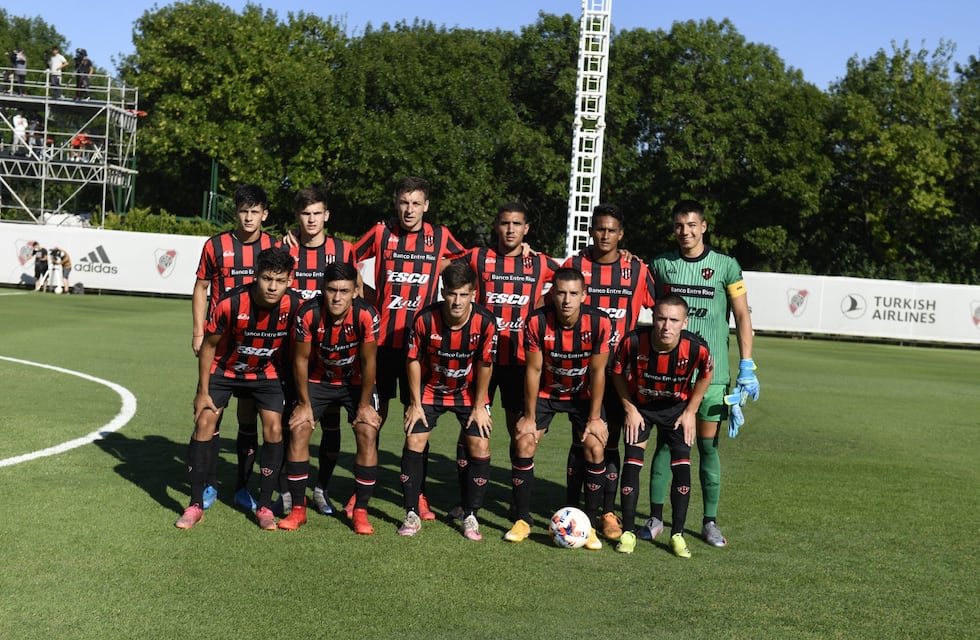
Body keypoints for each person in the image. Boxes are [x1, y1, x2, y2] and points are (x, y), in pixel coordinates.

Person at [647, 199, 760, 548]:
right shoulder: (662, 265)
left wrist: (746, 364)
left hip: (714, 376)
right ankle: (655, 517)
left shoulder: (726, 266)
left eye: (692, 225)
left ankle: (709, 521)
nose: (685, 232)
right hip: (670, 374)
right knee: (667, 444)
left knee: (708, 448)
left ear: (704, 226)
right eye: (680, 225)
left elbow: (742, 316)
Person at [353, 176, 467, 520]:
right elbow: (348, 257)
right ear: (396, 203)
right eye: (404, 202)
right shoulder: (380, 233)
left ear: (426, 206)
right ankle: (362, 493)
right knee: (373, 418)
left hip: (422, 345)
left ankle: (417, 495)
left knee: (419, 420)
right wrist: (370, 298)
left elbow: (467, 262)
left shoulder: (441, 236)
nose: (409, 209)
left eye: (416, 203)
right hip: (382, 343)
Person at [175, 247, 302, 530]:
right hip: (225, 369)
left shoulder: (295, 306)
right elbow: (208, 346)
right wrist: (203, 391)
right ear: (256, 275)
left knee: (273, 428)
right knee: (204, 421)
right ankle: (195, 504)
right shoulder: (231, 303)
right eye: (267, 278)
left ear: (290, 281)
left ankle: (265, 506)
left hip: (265, 373)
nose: (272, 286)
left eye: (279, 281)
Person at [457, 201, 559, 520]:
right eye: (505, 223)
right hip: (483, 360)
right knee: (472, 428)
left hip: (519, 362)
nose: (511, 229)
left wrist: (540, 304)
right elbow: (442, 262)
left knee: (519, 432)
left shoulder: (539, 262)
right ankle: (466, 500)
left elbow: (576, 274)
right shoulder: (478, 257)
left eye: (517, 224)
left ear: (526, 229)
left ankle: (519, 505)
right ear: (496, 226)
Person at [561, 203, 656, 541]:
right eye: (599, 229)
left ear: (621, 234)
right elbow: (549, 298)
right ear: (591, 231)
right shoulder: (574, 265)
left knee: (610, 442)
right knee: (584, 440)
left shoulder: (637, 270)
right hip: (578, 370)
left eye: (611, 230)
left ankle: (607, 511)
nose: (605, 235)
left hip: (621, 373)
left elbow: (661, 308)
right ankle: (574, 508)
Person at [503, 267, 612, 550]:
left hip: (582, 395)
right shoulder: (537, 322)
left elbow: (599, 373)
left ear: (584, 296)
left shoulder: (599, 323)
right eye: (561, 293)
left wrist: (596, 417)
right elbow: (534, 369)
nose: (566, 300)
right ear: (551, 294)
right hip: (546, 392)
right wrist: (528, 417)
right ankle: (522, 520)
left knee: (596, 446)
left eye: (573, 294)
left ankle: (588, 526)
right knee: (524, 442)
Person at [192, 184, 277, 512]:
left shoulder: (274, 246)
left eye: (255, 212)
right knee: (210, 412)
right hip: (220, 345)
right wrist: (198, 332)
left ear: (264, 215)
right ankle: (209, 483)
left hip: (259, 347)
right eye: (243, 211)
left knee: (249, 416)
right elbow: (201, 288)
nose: (248, 218)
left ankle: (242, 486)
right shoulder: (216, 246)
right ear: (236, 212)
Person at [397, 261, 497, 540]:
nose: (457, 301)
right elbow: (413, 360)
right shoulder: (425, 319)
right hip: (431, 390)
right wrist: (415, 404)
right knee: (414, 440)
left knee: (479, 442)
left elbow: (485, 364)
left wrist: (479, 406)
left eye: (463, 294)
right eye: (452, 293)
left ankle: (471, 514)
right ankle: (411, 511)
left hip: (468, 393)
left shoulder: (486, 322)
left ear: (473, 295)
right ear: (443, 291)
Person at [282, 262, 382, 534]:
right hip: (318, 379)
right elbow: (300, 360)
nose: (337, 297)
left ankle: (360, 512)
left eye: (344, 291)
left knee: (367, 431)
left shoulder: (367, 314)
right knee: (300, 429)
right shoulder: (307, 313)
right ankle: (298, 510)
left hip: (356, 381)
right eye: (331, 290)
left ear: (354, 292)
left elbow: (369, 361)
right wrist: (303, 404)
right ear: (322, 289)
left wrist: (363, 405)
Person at [610, 295, 714, 557]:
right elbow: (617, 371)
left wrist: (691, 411)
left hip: (676, 411)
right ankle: (629, 532)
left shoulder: (696, 348)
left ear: (685, 322)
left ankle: (677, 535)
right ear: (653, 318)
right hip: (641, 408)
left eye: (674, 320)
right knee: (632, 466)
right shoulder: (633, 341)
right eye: (661, 318)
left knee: (681, 468)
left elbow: (706, 374)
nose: (666, 326)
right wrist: (629, 408)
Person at [280, 187, 357, 516]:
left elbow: (357, 292)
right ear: (297, 217)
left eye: (317, 213)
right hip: (292, 349)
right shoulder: (286, 249)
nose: (311, 220)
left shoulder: (343, 249)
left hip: (332, 352)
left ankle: (321, 488)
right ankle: (286, 486)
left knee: (331, 424)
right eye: (305, 214)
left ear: (326, 215)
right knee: (292, 420)